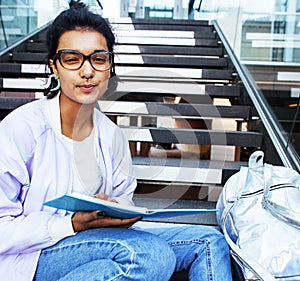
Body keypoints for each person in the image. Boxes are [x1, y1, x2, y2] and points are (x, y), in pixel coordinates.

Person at [0, 1, 233, 280]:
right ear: (54, 66)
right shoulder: (22, 128)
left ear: (109, 66)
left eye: (99, 59)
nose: (87, 72)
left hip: (99, 242)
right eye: (72, 59)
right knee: (147, 256)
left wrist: (115, 209)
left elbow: (123, 199)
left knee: (209, 241)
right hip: (33, 255)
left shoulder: (112, 136)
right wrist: (72, 225)